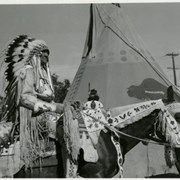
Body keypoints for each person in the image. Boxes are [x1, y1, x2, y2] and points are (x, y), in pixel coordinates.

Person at [1, 35, 64, 168]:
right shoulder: (28, 71)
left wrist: (59, 106)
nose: (47, 57)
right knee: (63, 127)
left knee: (70, 118)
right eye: (43, 54)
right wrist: (53, 108)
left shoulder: (43, 73)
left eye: (48, 54)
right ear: (36, 55)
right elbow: (25, 98)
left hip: (44, 112)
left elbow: (47, 95)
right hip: (33, 116)